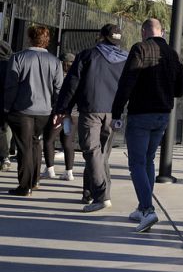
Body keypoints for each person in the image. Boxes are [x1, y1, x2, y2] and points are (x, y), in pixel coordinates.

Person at [112, 19, 183, 232]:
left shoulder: (140, 49)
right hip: (162, 114)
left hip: (141, 114)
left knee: (136, 163)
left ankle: (147, 209)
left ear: (144, 32)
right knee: (148, 160)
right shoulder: (173, 54)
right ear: (161, 32)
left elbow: (127, 82)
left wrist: (117, 112)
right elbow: (179, 90)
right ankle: (142, 207)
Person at [53, 24, 128, 212]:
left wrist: (63, 109)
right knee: (101, 154)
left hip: (91, 109)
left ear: (101, 36)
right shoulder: (126, 59)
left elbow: (72, 84)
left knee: (92, 151)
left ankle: (102, 196)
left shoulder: (88, 55)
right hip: (114, 112)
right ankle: (90, 192)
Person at [4, 26, 62, 196]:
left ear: (29, 38)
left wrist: (6, 107)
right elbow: (58, 88)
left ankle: (24, 185)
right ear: (46, 40)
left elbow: (11, 85)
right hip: (44, 110)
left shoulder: (18, 57)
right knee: (36, 143)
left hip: (22, 109)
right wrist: (57, 109)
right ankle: (35, 180)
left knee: (24, 146)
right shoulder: (55, 61)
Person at [42, 53, 77, 181]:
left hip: (58, 112)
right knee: (68, 142)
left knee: (49, 139)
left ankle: (50, 169)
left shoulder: (57, 76)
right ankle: (69, 172)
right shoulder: (78, 76)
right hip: (73, 114)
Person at [0, 40, 13, 172]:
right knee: (6, 128)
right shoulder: (12, 64)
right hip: (10, 102)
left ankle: (4, 156)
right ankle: (6, 156)